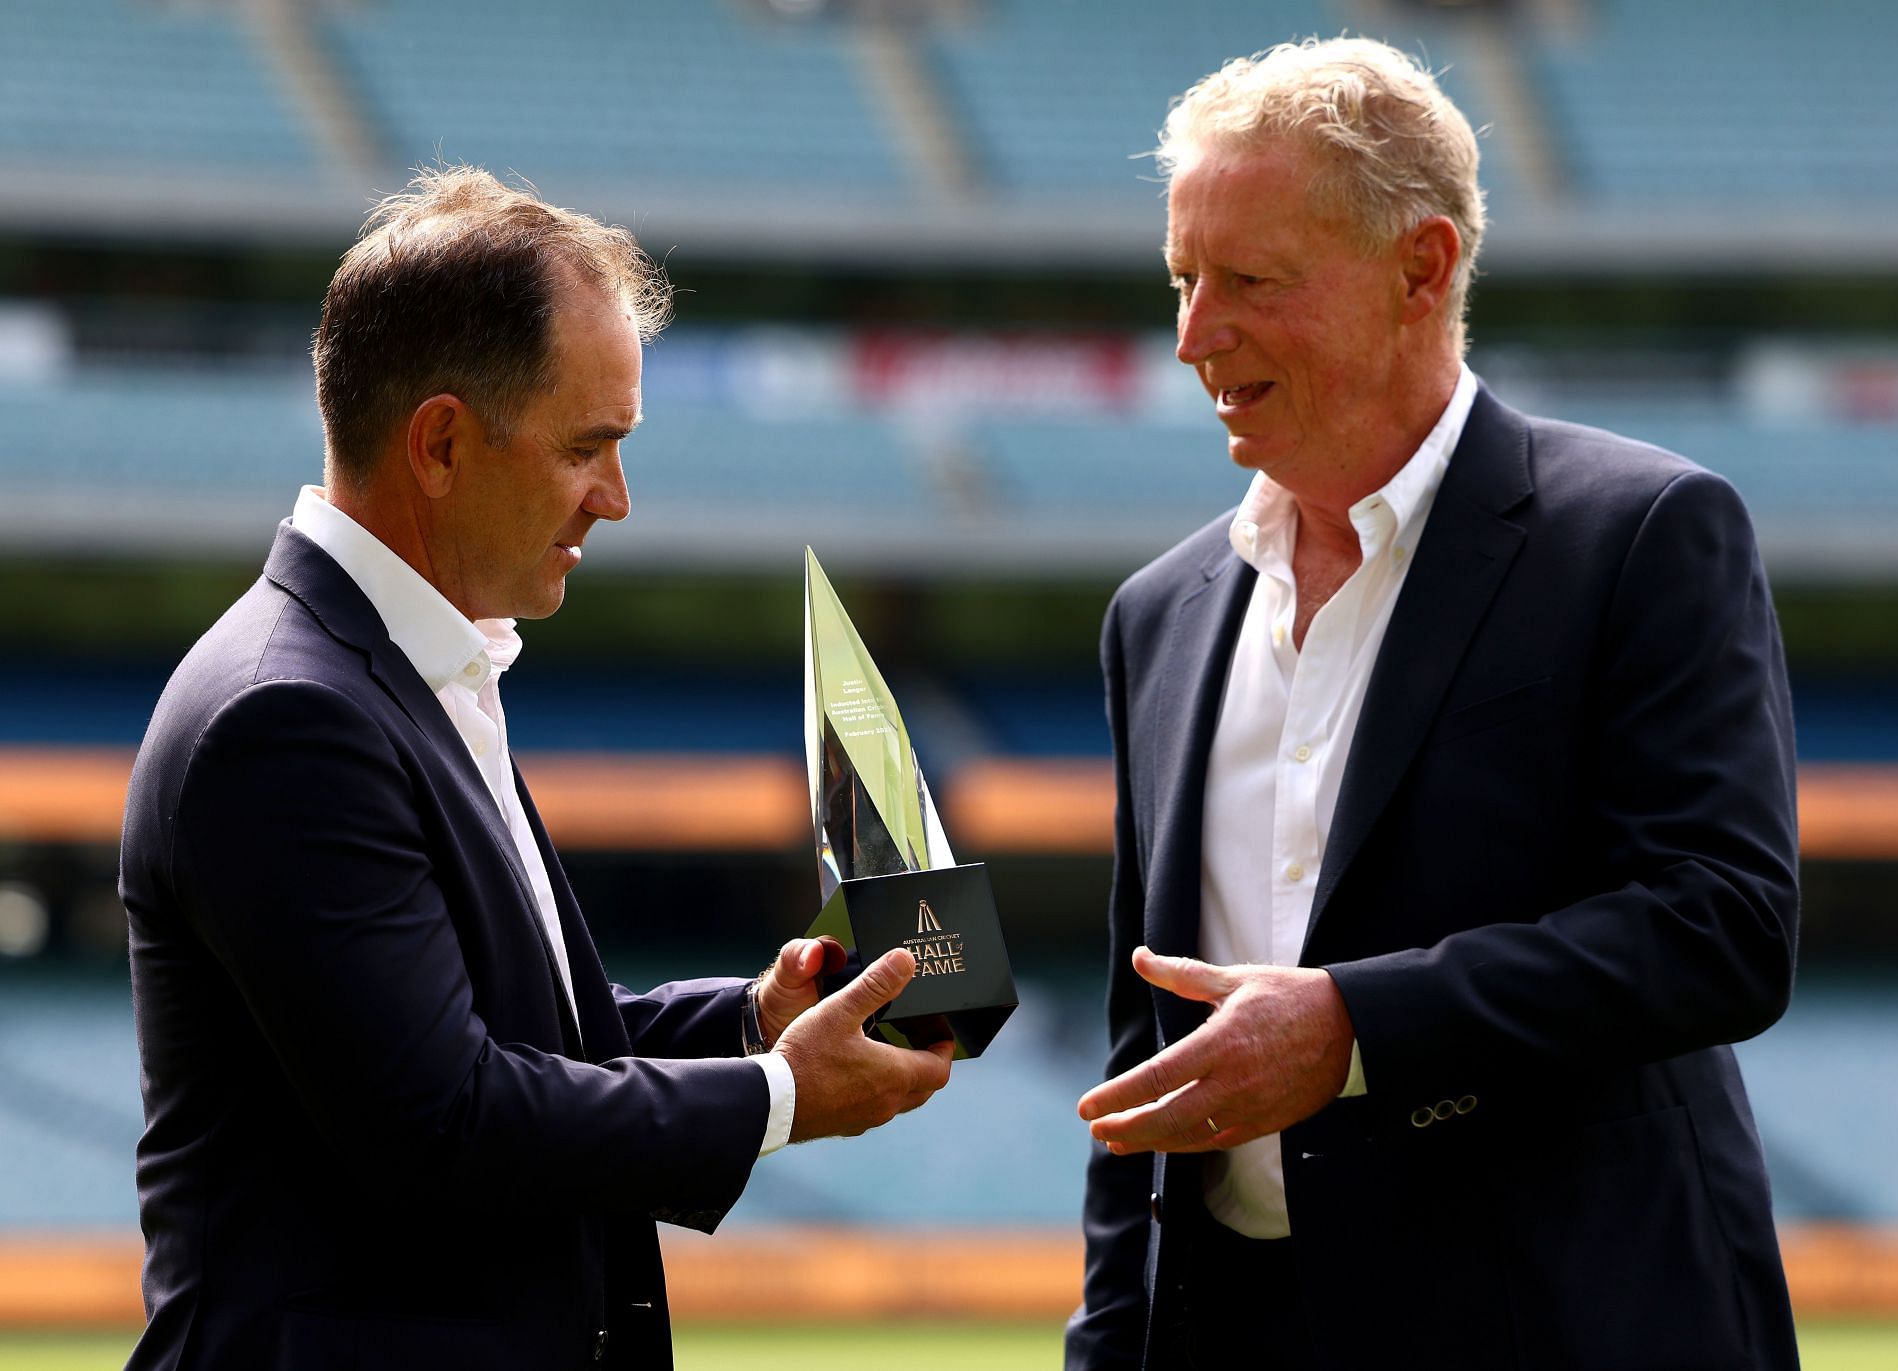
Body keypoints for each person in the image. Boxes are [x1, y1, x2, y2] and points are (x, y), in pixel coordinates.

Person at [119, 167, 953, 1371]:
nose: (616, 499)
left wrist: (756, 1018)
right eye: (588, 447)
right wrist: (778, 1092)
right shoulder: (288, 713)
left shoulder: (407, 671)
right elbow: (444, 1119)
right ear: (444, 443)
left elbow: (520, 1037)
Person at [1067, 38, 1799, 1371]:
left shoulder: (1641, 531)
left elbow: (1724, 924)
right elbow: (1150, 1063)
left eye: (1249, 281)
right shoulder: (1156, 614)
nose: (1192, 335)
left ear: (1422, 268)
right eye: (1182, 280)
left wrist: (1355, 1026)